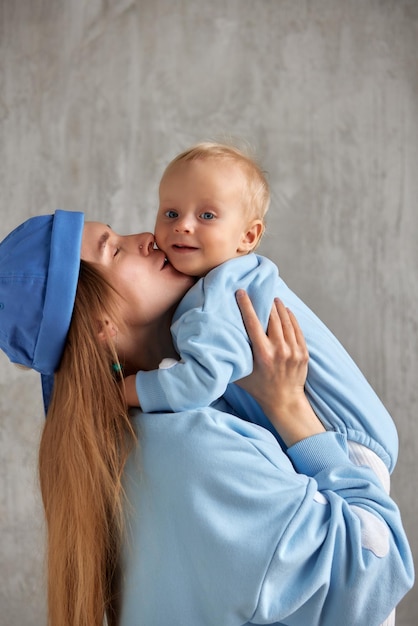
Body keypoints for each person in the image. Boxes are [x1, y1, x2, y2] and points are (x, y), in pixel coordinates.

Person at [0, 210, 413, 626]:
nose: (145, 237)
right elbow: (373, 571)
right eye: (115, 249)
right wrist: (291, 410)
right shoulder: (191, 445)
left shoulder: (116, 453)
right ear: (99, 324)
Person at [124, 142, 397, 479]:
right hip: (357, 433)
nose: (183, 226)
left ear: (247, 236)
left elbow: (200, 381)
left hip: (342, 443)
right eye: (171, 213)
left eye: (206, 215)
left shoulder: (221, 289)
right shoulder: (243, 278)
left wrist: (127, 389)